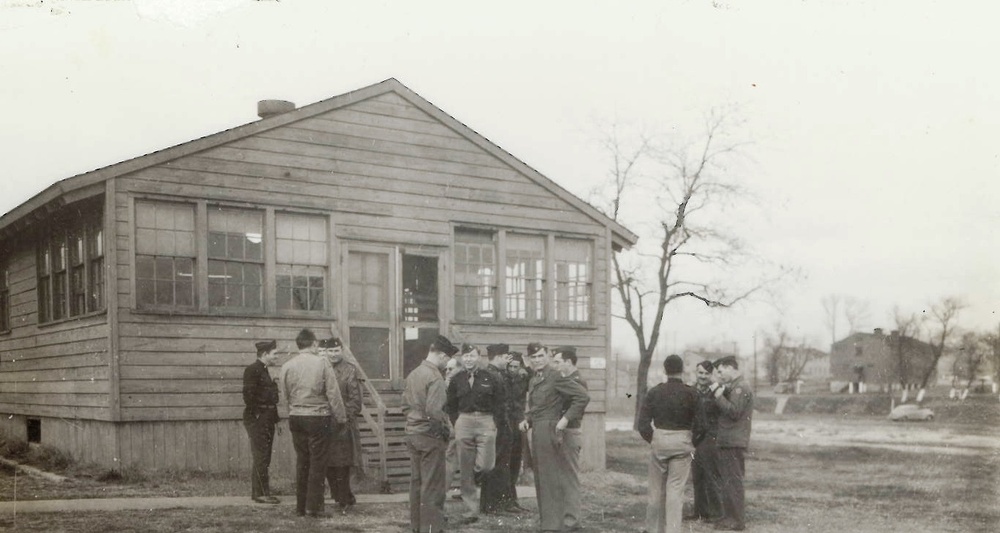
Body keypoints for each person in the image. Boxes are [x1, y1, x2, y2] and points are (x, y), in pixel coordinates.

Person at [519, 342, 590, 533]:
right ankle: (548, 522)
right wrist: (527, 419)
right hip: (538, 430)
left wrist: (565, 419)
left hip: (551, 430)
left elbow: (582, 397)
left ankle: (554, 524)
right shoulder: (535, 379)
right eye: (533, 357)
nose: (537, 360)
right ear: (529, 360)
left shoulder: (556, 376)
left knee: (550, 477)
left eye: (541, 356)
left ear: (548, 356)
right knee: (542, 477)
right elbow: (536, 407)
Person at [278, 328, 348, 518]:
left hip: (296, 417)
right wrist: (341, 418)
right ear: (314, 344)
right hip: (318, 418)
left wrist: (291, 412)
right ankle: (314, 508)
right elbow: (333, 393)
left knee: (303, 462)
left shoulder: (287, 366)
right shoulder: (322, 363)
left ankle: (300, 507)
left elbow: (283, 396)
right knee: (318, 463)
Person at [403, 334, 458, 533]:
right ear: (442, 355)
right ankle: (432, 528)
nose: (447, 364)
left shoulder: (414, 373)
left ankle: (417, 527)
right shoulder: (435, 377)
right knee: (432, 485)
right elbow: (435, 412)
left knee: (416, 483)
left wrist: (413, 424)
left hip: (413, 434)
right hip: (430, 437)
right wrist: (444, 432)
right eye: (447, 360)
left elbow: (404, 406)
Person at [446, 343, 506, 524]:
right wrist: (458, 422)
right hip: (464, 422)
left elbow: (500, 402)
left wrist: (494, 423)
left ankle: (474, 471)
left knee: (486, 465)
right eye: (466, 356)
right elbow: (451, 405)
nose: (469, 359)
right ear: (462, 358)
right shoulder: (457, 379)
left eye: (472, 356)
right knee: (465, 471)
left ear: (479, 357)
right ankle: (471, 510)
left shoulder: (491, 377)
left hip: (486, 421)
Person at [637, 354, 698, 533]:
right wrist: (692, 441)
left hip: (660, 440)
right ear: (683, 370)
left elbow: (643, 424)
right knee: (675, 491)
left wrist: (654, 439)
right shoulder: (691, 392)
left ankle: (653, 529)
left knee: (655, 491)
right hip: (683, 441)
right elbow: (702, 425)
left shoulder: (654, 392)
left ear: (664, 370)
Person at [320, 337, 363, 515]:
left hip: (343, 423)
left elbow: (355, 399)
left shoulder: (350, 370)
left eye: (336, 350)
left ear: (342, 351)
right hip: (323, 421)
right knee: (328, 461)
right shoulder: (321, 368)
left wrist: (345, 417)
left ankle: (344, 496)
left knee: (344, 462)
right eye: (330, 351)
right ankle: (338, 495)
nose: (333, 354)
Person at [712, 356, 754, 531]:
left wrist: (718, 396)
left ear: (730, 368)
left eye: (721, 371)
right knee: (728, 480)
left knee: (733, 481)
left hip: (733, 441)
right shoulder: (735, 386)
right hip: (728, 440)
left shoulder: (741, 387)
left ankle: (737, 520)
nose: (719, 375)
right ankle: (729, 517)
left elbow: (734, 412)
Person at [551, 346, 587, 530]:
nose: (555, 366)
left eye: (557, 362)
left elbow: (577, 404)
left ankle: (572, 520)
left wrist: (563, 421)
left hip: (569, 432)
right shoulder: (567, 379)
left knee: (570, 477)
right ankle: (564, 517)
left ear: (568, 362)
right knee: (561, 476)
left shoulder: (577, 381)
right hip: (562, 431)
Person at [242, 339, 281, 504]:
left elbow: (272, 399)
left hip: (268, 417)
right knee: (261, 455)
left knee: (265, 456)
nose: (276, 357)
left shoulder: (265, 370)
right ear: (265, 354)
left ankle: (263, 492)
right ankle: (259, 493)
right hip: (258, 418)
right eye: (274, 354)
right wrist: (258, 416)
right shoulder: (252, 370)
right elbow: (248, 396)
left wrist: (276, 420)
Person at [479, 343, 516, 514]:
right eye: (505, 358)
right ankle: (491, 505)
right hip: (497, 426)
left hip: (499, 425)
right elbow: (496, 404)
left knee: (500, 465)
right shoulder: (492, 375)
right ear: (499, 357)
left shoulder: (495, 374)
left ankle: (497, 503)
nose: (507, 361)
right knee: (495, 465)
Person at [689, 360, 723, 523]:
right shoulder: (691, 390)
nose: (703, 376)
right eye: (700, 373)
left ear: (712, 374)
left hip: (711, 436)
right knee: (697, 475)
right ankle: (700, 511)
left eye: (706, 373)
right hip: (695, 437)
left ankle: (716, 513)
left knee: (711, 474)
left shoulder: (717, 390)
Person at [504, 350, 530, 508]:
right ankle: (505, 498)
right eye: (510, 366)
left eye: (516, 366)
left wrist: (527, 366)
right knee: (505, 462)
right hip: (505, 422)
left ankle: (512, 498)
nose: (513, 369)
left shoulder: (523, 378)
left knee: (515, 460)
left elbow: (534, 377)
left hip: (518, 423)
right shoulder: (503, 378)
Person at [442, 354, 462, 499]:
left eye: (451, 368)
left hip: (461, 424)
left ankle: (465, 490)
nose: (447, 371)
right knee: (450, 456)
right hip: (449, 424)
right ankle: (443, 490)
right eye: (446, 369)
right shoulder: (444, 384)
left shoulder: (461, 384)